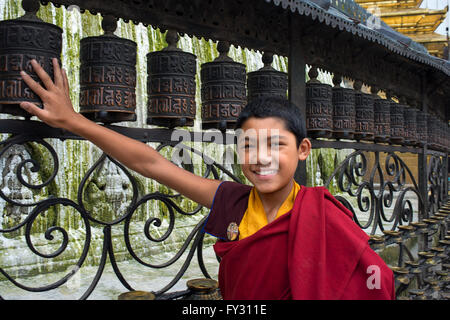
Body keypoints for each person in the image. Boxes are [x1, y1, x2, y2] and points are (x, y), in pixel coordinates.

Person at [19, 58, 395, 300]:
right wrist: (74, 121)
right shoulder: (233, 200)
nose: (261, 158)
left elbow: (375, 283)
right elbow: (154, 165)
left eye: (276, 145)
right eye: (248, 145)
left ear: (303, 150)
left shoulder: (324, 214)